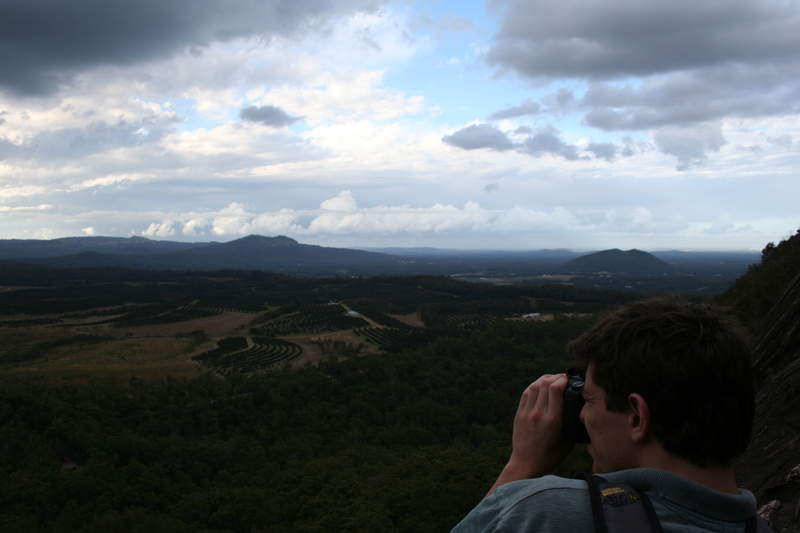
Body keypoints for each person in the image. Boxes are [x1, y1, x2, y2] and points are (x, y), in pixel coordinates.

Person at [453, 297, 763, 532]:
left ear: (636, 417)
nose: (581, 416)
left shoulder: (547, 512)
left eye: (588, 399)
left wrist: (521, 465)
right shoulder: (762, 525)